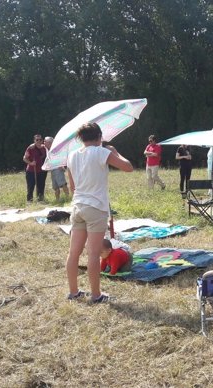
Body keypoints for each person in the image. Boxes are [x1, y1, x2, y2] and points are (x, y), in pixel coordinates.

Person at [65, 122, 134, 303]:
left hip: (77, 206)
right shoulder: (101, 152)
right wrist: (114, 152)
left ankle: (73, 292)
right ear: (99, 136)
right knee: (94, 254)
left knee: (74, 253)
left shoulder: (72, 156)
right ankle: (96, 295)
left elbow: (72, 187)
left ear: (81, 138)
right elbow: (128, 167)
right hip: (96, 207)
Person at [23, 134, 48, 202]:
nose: (39, 141)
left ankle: (40, 200)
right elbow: (24, 158)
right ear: (34, 140)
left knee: (41, 186)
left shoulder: (44, 148)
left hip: (42, 171)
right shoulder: (30, 148)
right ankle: (29, 201)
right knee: (30, 187)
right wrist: (31, 163)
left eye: (40, 139)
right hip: (31, 171)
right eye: (37, 140)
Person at [43, 136, 69, 201]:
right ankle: (57, 200)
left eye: (45, 141)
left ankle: (68, 198)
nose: (44, 142)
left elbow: (62, 156)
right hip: (52, 169)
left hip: (58, 168)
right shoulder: (47, 149)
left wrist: (61, 165)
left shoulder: (55, 149)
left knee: (63, 184)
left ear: (49, 143)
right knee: (55, 186)